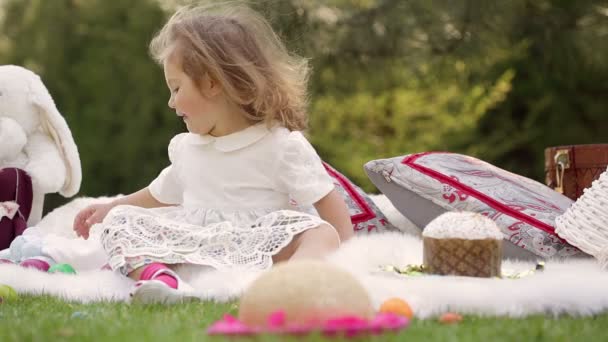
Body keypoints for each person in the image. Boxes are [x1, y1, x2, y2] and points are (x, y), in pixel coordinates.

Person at [72, 3, 353, 304]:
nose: (170, 102)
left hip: (257, 246)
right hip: (195, 247)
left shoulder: (280, 145)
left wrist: (350, 258)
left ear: (211, 83)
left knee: (319, 233)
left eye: (176, 88)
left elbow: (329, 205)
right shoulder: (187, 150)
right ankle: (160, 279)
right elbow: (158, 194)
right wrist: (111, 207)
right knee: (122, 223)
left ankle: (287, 286)